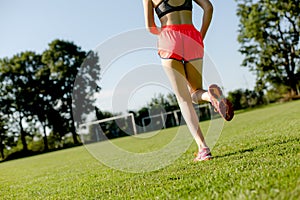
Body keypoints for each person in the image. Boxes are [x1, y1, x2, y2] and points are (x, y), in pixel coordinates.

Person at [143, 0, 234, 162]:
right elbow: (208, 7)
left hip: (169, 38)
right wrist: (201, 35)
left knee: (184, 99)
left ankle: (203, 149)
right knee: (196, 92)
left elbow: (150, 27)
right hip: (192, 37)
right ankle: (210, 96)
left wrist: (165, 35)